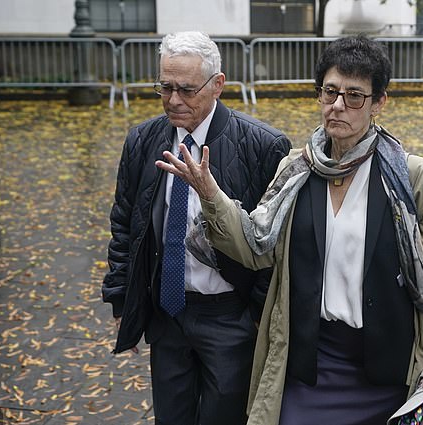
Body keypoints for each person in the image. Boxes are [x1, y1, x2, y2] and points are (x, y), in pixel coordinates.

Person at [157, 35, 423, 425]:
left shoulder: (415, 179)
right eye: (330, 92)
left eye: (355, 96)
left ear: (379, 103)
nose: (339, 105)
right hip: (312, 362)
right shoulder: (297, 171)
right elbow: (255, 248)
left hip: (390, 371)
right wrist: (210, 194)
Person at [102, 31, 291, 425]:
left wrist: (256, 314)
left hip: (230, 317)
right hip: (167, 313)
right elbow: (126, 224)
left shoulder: (263, 145)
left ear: (217, 85)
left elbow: (274, 239)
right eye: (165, 87)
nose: (173, 100)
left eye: (187, 89)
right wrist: (123, 298)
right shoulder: (143, 140)